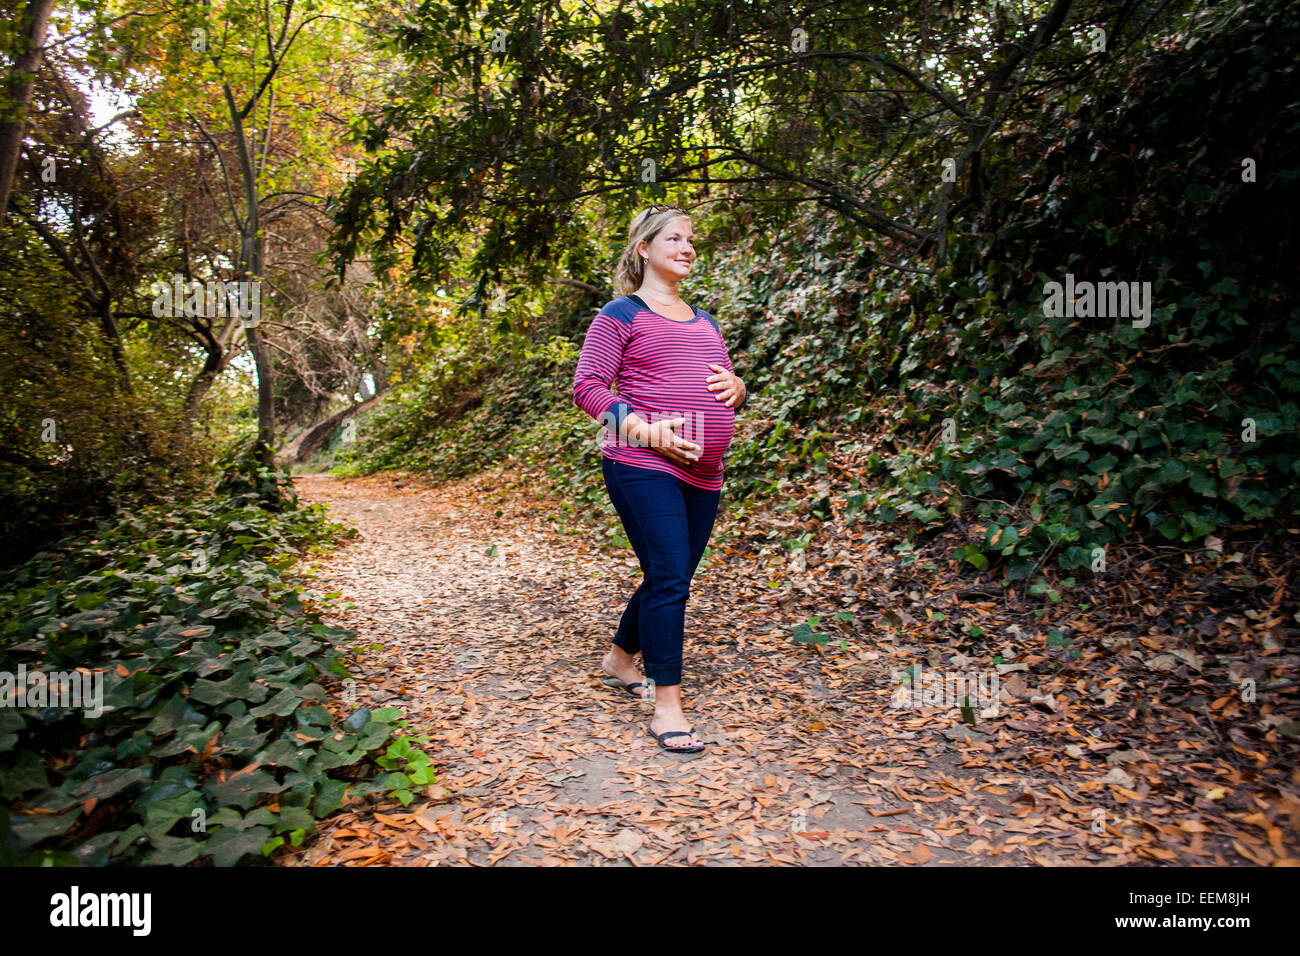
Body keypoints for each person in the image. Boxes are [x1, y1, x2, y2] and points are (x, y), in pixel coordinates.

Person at [572, 204, 748, 753]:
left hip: (704, 471)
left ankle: (620, 657)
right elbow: (588, 389)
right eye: (674, 238)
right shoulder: (620, 314)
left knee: (668, 574)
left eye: (691, 239)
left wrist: (738, 389)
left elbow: (720, 385)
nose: (688, 247)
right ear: (644, 248)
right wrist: (647, 432)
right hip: (641, 461)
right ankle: (667, 705)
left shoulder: (706, 321)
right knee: (671, 575)